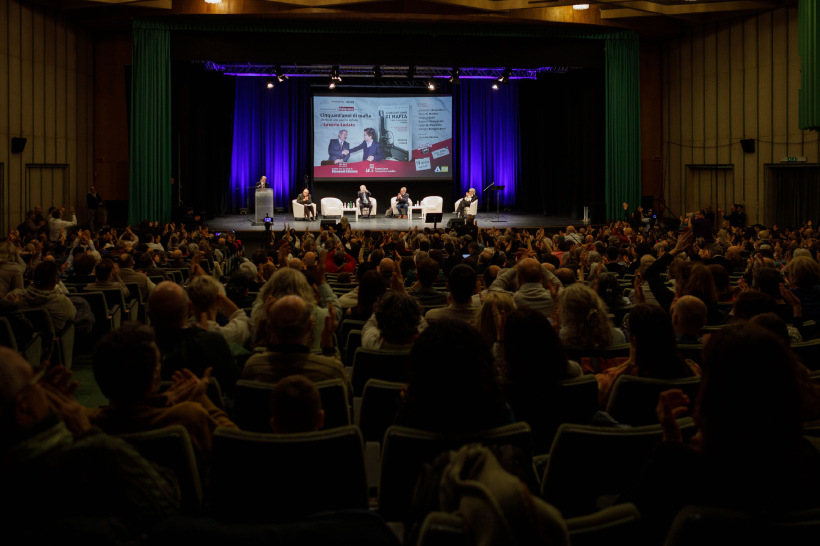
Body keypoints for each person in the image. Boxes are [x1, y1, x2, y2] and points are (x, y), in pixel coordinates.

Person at [0, 348, 180, 542]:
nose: (44, 388)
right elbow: (166, 499)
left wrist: (49, 418)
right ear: (23, 408)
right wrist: (86, 431)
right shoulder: (76, 464)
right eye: (35, 381)